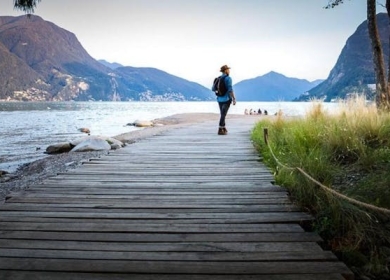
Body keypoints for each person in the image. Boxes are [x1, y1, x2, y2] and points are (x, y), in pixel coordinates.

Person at [212, 65, 236, 135]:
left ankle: (223, 127)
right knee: (223, 114)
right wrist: (234, 98)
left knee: (222, 114)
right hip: (226, 99)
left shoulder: (218, 79)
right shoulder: (228, 78)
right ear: (226, 70)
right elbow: (230, 89)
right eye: (228, 69)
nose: (229, 71)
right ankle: (220, 128)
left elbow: (213, 89)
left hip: (219, 99)